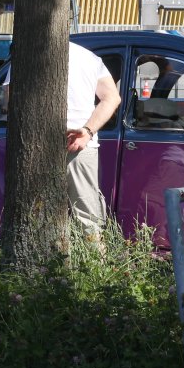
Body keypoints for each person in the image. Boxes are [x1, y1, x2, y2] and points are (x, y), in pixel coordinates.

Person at [65, 42, 122, 237]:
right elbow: (112, 97)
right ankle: (94, 256)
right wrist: (88, 131)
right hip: (80, 144)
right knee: (88, 219)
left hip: (39, 144)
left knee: (37, 215)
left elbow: (11, 98)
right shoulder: (90, 58)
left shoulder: (28, 51)